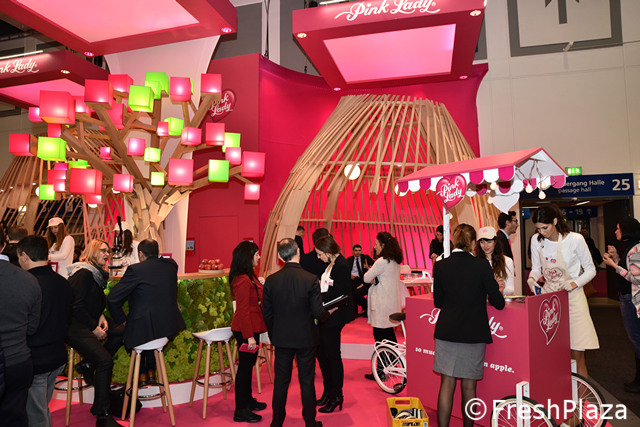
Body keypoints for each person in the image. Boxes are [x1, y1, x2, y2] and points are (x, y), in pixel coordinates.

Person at [433, 223, 505, 427]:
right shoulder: (482, 266)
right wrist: (495, 290)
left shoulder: (441, 265)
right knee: (469, 386)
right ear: (473, 243)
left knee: (446, 383)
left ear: (455, 241)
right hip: (473, 333)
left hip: (447, 331)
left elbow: (438, 302)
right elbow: (498, 303)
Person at [262, 238, 330, 427]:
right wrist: (327, 314)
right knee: (307, 382)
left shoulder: (271, 281)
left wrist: (274, 335)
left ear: (280, 256)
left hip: (281, 339)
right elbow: (318, 312)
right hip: (306, 338)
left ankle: (276, 422)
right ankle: (310, 422)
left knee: (280, 383)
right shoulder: (310, 279)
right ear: (298, 251)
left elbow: (267, 314)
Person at [527, 205, 598, 379]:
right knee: (552, 354)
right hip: (549, 300)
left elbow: (591, 270)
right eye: (538, 228)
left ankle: (581, 396)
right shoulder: (536, 240)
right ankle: (557, 393)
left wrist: (574, 283)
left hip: (573, 299)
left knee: (577, 355)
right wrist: (532, 279)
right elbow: (536, 268)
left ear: (555, 221)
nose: (542, 232)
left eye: (545, 227)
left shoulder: (575, 239)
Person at [107, 239, 185, 389]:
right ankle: (150, 372)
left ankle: (142, 374)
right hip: (168, 327)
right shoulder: (171, 265)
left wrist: (122, 320)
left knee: (135, 327)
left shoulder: (135, 270)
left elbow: (112, 299)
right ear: (158, 252)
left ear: (141, 254)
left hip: (144, 330)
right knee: (147, 324)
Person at [66, 239, 124, 427]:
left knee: (123, 332)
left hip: (88, 322)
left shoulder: (96, 274)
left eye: (108, 251)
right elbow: (74, 305)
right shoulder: (83, 273)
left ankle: (90, 364)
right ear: (92, 251)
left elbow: (91, 301)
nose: (107, 254)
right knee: (105, 361)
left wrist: (100, 316)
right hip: (75, 328)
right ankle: (103, 415)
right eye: (102, 251)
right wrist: (94, 328)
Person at [17, 236, 72, 427]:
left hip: (36, 360)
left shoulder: (27, 284)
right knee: (41, 409)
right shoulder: (63, 282)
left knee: (36, 416)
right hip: (56, 356)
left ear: (24, 256)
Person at [0, 227, 41, 427]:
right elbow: (32, 328)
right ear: (4, 244)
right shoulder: (28, 280)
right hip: (18, 361)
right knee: (15, 417)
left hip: (14, 360)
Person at [227, 241, 268, 423]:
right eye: (256, 254)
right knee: (244, 369)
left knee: (249, 366)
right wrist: (249, 336)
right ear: (247, 256)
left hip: (252, 328)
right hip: (246, 330)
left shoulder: (249, 276)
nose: (258, 257)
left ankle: (248, 401)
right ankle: (241, 409)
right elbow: (243, 311)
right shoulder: (243, 280)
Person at [314, 235, 352, 413]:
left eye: (320, 254)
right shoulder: (332, 264)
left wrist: (316, 296)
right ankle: (328, 391)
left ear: (328, 252)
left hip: (335, 316)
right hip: (326, 314)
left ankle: (336, 395)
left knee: (332, 356)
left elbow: (341, 292)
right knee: (323, 354)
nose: (318, 257)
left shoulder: (342, 265)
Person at [602, 217, 640, 392]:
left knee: (636, 339)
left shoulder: (635, 249)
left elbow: (636, 278)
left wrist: (612, 265)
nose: (616, 231)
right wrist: (617, 259)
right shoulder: (631, 247)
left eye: (618, 228)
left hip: (632, 300)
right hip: (628, 298)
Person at [363, 231, 404, 380]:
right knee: (389, 336)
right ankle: (391, 364)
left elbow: (366, 278)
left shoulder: (381, 261)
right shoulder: (395, 261)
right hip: (391, 303)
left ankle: (381, 370)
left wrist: (374, 279)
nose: (374, 247)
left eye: (376, 244)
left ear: (383, 245)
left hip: (381, 304)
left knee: (380, 339)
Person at [475, 226, 515, 296]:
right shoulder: (475, 262)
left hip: (500, 301)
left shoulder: (507, 261)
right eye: (482, 242)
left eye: (489, 242)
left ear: (495, 242)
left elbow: (511, 289)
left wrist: (501, 289)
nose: (485, 246)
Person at [347, 244, 374, 317]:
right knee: (351, 292)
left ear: (361, 251)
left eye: (359, 250)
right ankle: (354, 313)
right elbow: (345, 270)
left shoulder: (366, 258)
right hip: (352, 280)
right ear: (353, 251)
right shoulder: (349, 259)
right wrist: (349, 275)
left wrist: (367, 267)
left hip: (364, 281)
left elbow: (375, 266)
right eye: (356, 251)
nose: (358, 252)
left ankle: (366, 308)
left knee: (356, 293)